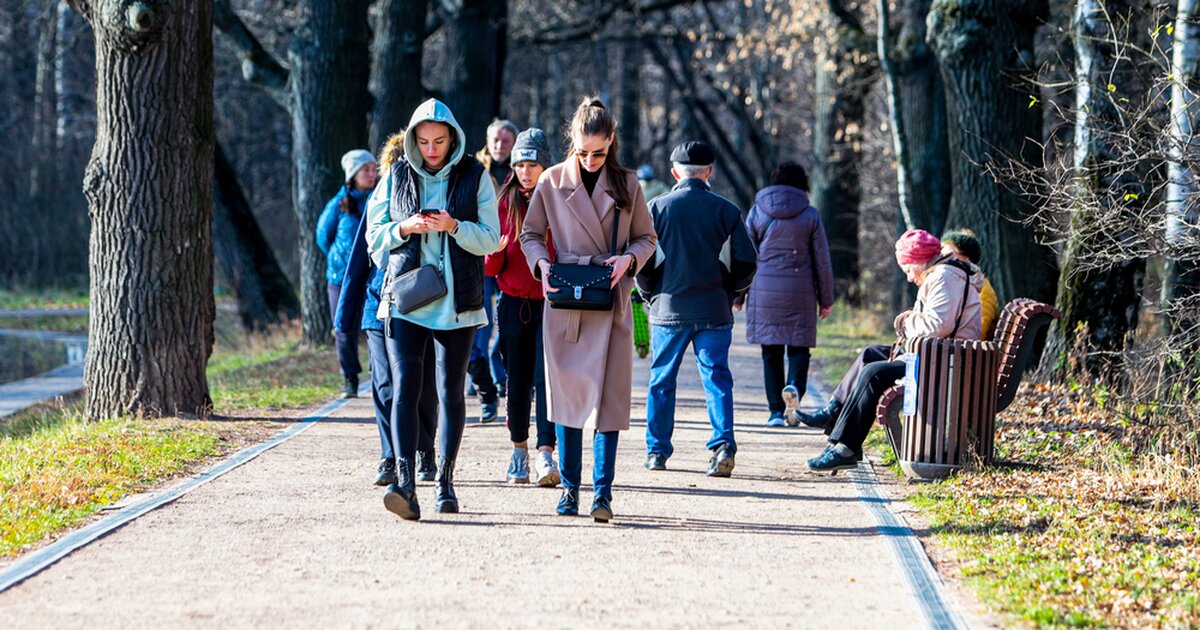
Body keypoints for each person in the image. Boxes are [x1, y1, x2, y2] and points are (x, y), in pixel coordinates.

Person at [520, 97, 657, 522]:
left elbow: (646, 239)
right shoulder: (551, 182)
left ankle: (603, 494)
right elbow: (530, 235)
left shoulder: (628, 183)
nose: (591, 159)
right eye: (583, 152)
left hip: (610, 300)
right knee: (566, 401)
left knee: (609, 403)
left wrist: (627, 260)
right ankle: (569, 491)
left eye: (599, 152)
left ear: (611, 141)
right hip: (565, 300)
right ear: (572, 143)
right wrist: (542, 265)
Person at [366, 99, 501, 521]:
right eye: (423, 141)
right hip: (406, 298)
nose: (431, 149)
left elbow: (492, 239)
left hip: (458, 302)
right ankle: (405, 483)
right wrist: (405, 227)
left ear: (454, 138)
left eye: (439, 141)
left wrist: (454, 226)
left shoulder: (475, 176)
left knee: (449, 390)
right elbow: (374, 237)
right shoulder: (397, 174)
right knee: (405, 385)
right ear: (411, 139)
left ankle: (445, 481)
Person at [803, 229, 983, 473]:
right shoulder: (942, 274)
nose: (909, 277)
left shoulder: (944, 277)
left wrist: (908, 321)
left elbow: (939, 326)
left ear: (920, 261)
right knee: (871, 353)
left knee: (874, 373)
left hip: (944, 363)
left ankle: (845, 447)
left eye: (908, 269)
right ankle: (833, 411)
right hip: (936, 356)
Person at [635, 141, 757, 477]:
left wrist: (650, 295)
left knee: (661, 381)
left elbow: (643, 263)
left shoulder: (656, 208)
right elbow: (747, 261)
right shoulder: (727, 211)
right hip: (714, 307)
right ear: (710, 172)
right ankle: (722, 447)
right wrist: (732, 292)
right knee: (717, 378)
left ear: (674, 172)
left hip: (668, 308)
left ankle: (657, 452)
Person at [335, 133, 439, 487]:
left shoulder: (432, 202)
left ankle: (425, 448)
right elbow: (356, 266)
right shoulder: (377, 205)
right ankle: (389, 456)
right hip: (376, 305)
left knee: (421, 383)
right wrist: (343, 321)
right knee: (384, 384)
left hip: (419, 303)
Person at [484, 128, 560, 486]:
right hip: (513, 304)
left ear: (546, 166)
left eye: (533, 164)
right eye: (520, 164)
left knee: (548, 381)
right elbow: (490, 267)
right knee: (517, 381)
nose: (526, 172)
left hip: (552, 304)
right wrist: (493, 255)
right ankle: (519, 451)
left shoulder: (561, 201)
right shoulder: (502, 203)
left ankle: (547, 453)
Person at [740, 161, 834, 427]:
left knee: (770, 351)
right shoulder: (811, 215)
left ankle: (774, 413)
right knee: (798, 348)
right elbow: (822, 261)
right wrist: (826, 300)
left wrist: (737, 295)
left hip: (764, 291)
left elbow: (746, 256)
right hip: (800, 291)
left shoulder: (758, 211)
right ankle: (794, 388)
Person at [468, 119, 521, 417]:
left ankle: (497, 368)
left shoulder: (522, 170)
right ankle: (475, 369)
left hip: (511, 253)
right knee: (480, 315)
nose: (500, 145)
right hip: (481, 252)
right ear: (487, 141)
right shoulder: (475, 169)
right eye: (495, 140)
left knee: (507, 314)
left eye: (505, 140)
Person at [317, 149, 379, 398]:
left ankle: (379, 375)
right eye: (366, 169)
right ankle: (350, 378)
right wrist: (342, 258)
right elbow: (323, 236)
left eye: (374, 169)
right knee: (343, 327)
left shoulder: (379, 199)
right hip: (341, 277)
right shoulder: (338, 204)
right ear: (353, 174)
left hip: (372, 276)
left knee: (376, 326)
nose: (372, 174)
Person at [941, 228, 999, 339]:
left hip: (971, 352)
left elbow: (979, 330)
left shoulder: (982, 288)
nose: (944, 261)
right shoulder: (955, 284)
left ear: (966, 259)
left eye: (949, 256)